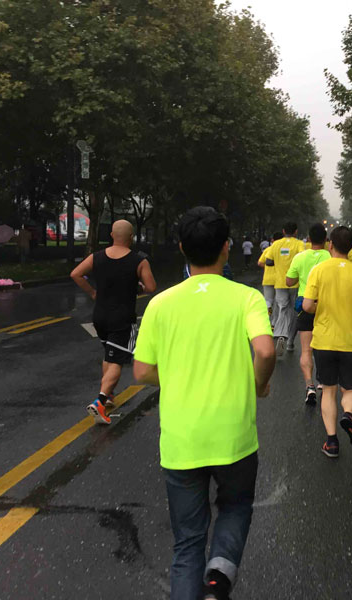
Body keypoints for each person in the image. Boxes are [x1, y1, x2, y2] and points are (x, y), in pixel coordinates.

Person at [133, 207, 275, 600]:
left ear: (182, 248)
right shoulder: (246, 298)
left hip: (181, 442)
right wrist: (257, 384)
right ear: (226, 247)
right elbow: (265, 350)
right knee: (235, 507)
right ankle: (219, 575)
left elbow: (141, 371)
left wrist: (177, 375)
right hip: (234, 438)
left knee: (187, 543)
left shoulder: (161, 304)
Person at [71, 220, 156, 424]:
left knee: (109, 355)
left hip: (100, 316)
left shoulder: (96, 257)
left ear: (111, 235)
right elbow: (151, 287)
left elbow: (76, 274)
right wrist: (138, 287)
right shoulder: (139, 261)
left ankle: (108, 395)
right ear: (131, 237)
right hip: (123, 318)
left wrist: (93, 292)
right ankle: (100, 401)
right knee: (117, 360)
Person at [303, 226, 352, 458]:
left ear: (330, 244)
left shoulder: (318, 270)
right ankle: (349, 415)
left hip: (324, 341)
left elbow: (307, 305)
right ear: (351, 247)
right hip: (351, 341)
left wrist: (320, 307)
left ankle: (332, 442)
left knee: (328, 390)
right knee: (350, 388)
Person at [286, 223, 330, 405]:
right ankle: (323, 382)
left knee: (306, 349)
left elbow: (289, 281)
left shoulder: (299, 257)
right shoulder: (330, 257)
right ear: (326, 240)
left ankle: (309, 386)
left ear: (309, 239)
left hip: (305, 303)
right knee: (324, 347)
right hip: (326, 305)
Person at [264, 222, 305, 356]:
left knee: (282, 309)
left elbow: (268, 261)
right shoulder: (299, 244)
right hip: (295, 283)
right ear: (296, 232)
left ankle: (280, 334)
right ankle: (290, 341)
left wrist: (280, 261)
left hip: (280, 283)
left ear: (283, 231)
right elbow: (302, 259)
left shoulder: (276, 244)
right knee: (294, 312)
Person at [257, 232, 281, 325]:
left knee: (268, 301)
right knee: (278, 302)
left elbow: (260, 263)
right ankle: (275, 322)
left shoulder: (268, 250)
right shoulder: (284, 251)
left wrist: (267, 267)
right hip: (279, 280)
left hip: (267, 279)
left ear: (272, 240)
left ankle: (267, 318)